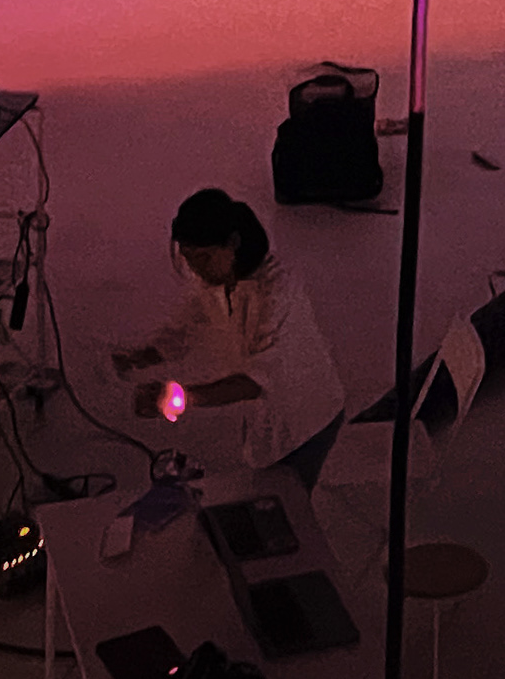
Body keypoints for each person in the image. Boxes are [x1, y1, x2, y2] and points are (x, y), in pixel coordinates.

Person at [111, 189, 353, 485]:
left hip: (308, 417)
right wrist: (142, 357)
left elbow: (255, 381)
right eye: (189, 259)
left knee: (287, 498)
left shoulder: (278, 291)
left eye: (204, 257)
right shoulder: (214, 281)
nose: (196, 269)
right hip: (267, 420)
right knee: (272, 490)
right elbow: (185, 328)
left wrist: (176, 397)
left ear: (234, 242)